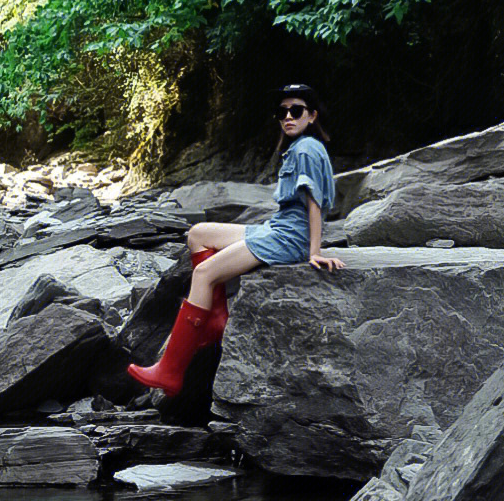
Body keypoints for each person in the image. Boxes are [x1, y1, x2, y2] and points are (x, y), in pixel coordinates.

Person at [127, 84, 345, 395]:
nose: (288, 117)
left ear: (312, 115)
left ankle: (170, 371)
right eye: (282, 112)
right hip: (277, 228)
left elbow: (314, 201)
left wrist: (314, 252)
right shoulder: (302, 147)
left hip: (288, 239)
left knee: (203, 274)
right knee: (198, 235)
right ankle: (214, 319)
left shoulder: (307, 150)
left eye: (296, 110)